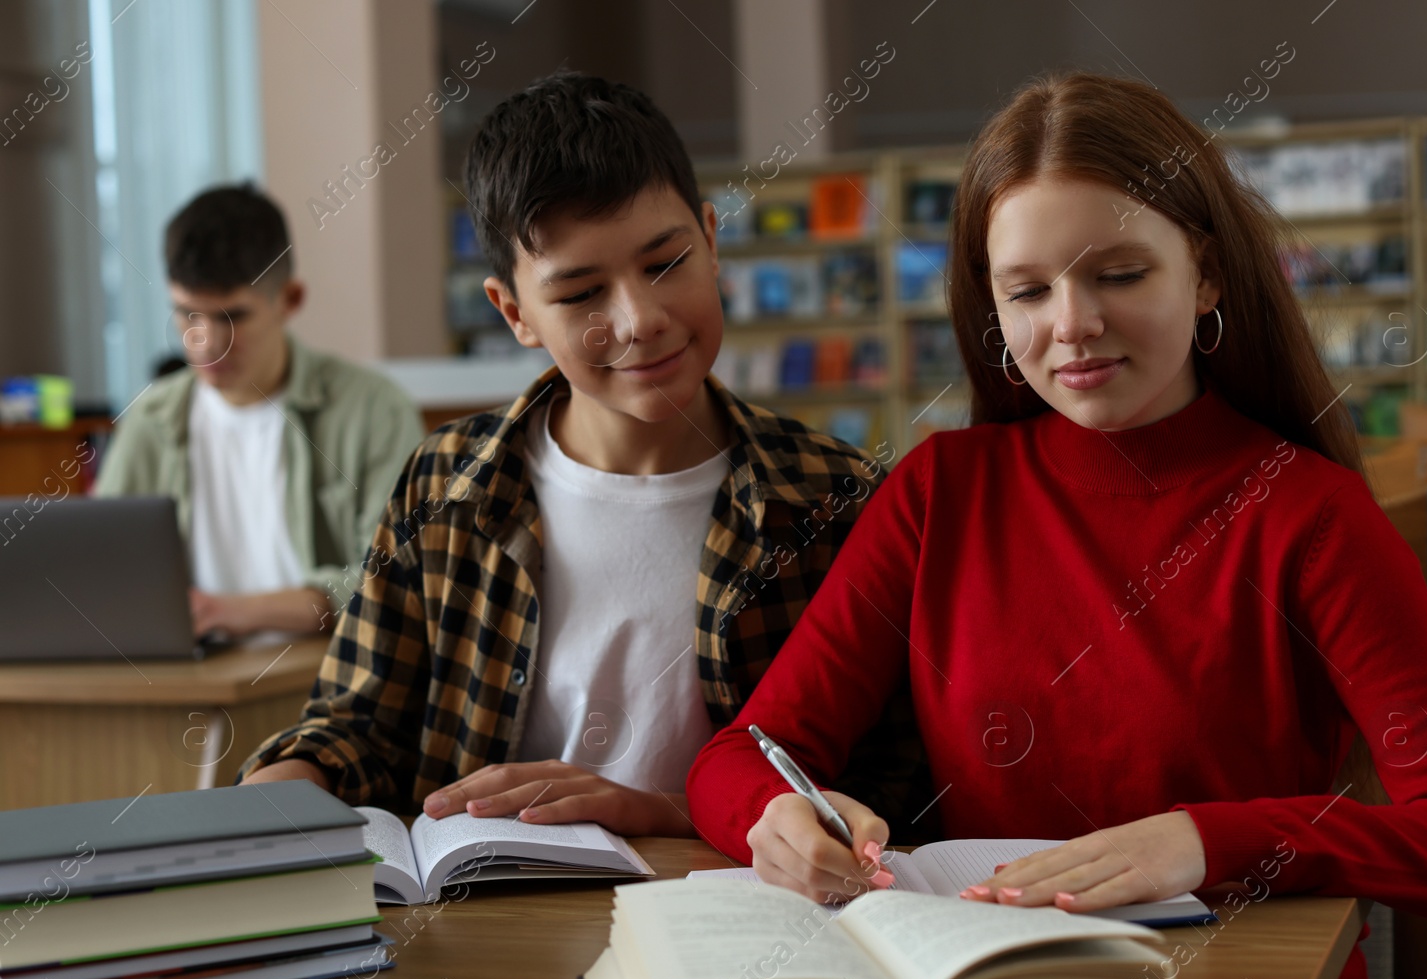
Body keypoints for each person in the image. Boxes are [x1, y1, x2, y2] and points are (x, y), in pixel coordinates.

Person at [684, 72, 1427, 979]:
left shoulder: (1308, 512)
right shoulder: (939, 492)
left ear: (1205, 275)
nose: (1070, 325)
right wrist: (775, 813)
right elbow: (744, 751)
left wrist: (1207, 840)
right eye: (1025, 289)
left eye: (1117, 274)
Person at [235, 72, 931, 839]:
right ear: (514, 313)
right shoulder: (445, 484)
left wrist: (653, 812)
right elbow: (356, 727)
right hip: (492, 922)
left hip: (732, 916)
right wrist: (282, 785)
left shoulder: (834, 496)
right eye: (580, 295)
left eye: (666, 262)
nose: (640, 319)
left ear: (711, 239)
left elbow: (888, 784)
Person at [96, 184, 424, 639]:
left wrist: (236, 612)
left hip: (330, 679)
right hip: (194, 687)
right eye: (188, 314)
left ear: (290, 299)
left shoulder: (373, 410)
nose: (206, 342)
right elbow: (100, 575)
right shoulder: (149, 419)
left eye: (233, 316)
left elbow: (404, 577)